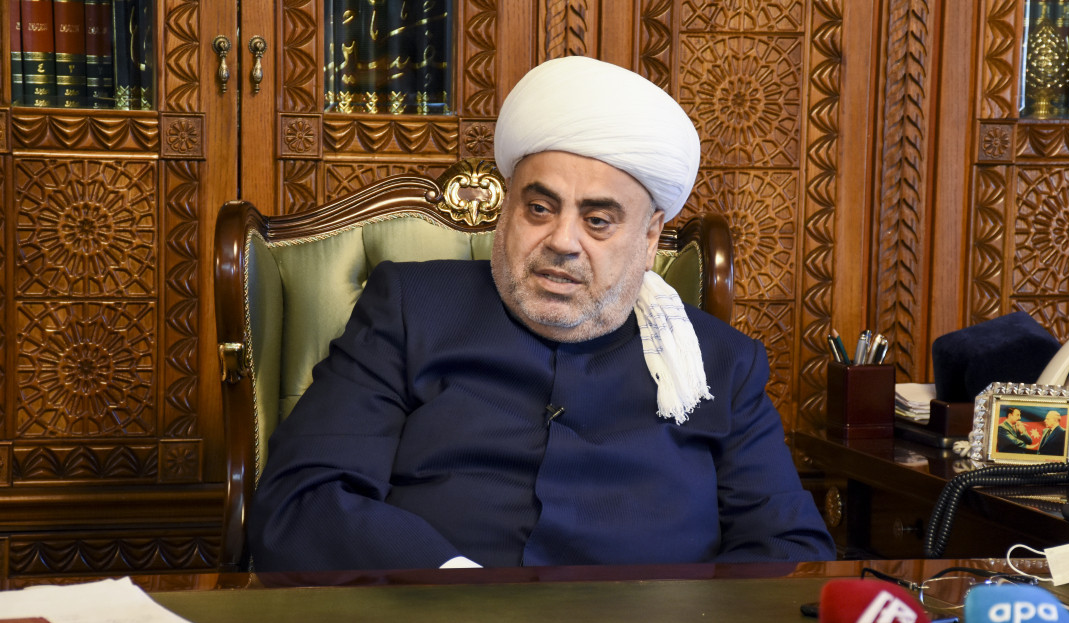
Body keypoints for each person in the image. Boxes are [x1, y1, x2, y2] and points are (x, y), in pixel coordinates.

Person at [247, 56, 834, 571]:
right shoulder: (410, 309)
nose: (562, 241)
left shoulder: (720, 364)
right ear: (507, 209)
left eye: (598, 221)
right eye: (539, 208)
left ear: (650, 235)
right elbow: (302, 502)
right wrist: (452, 586)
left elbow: (790, 547)